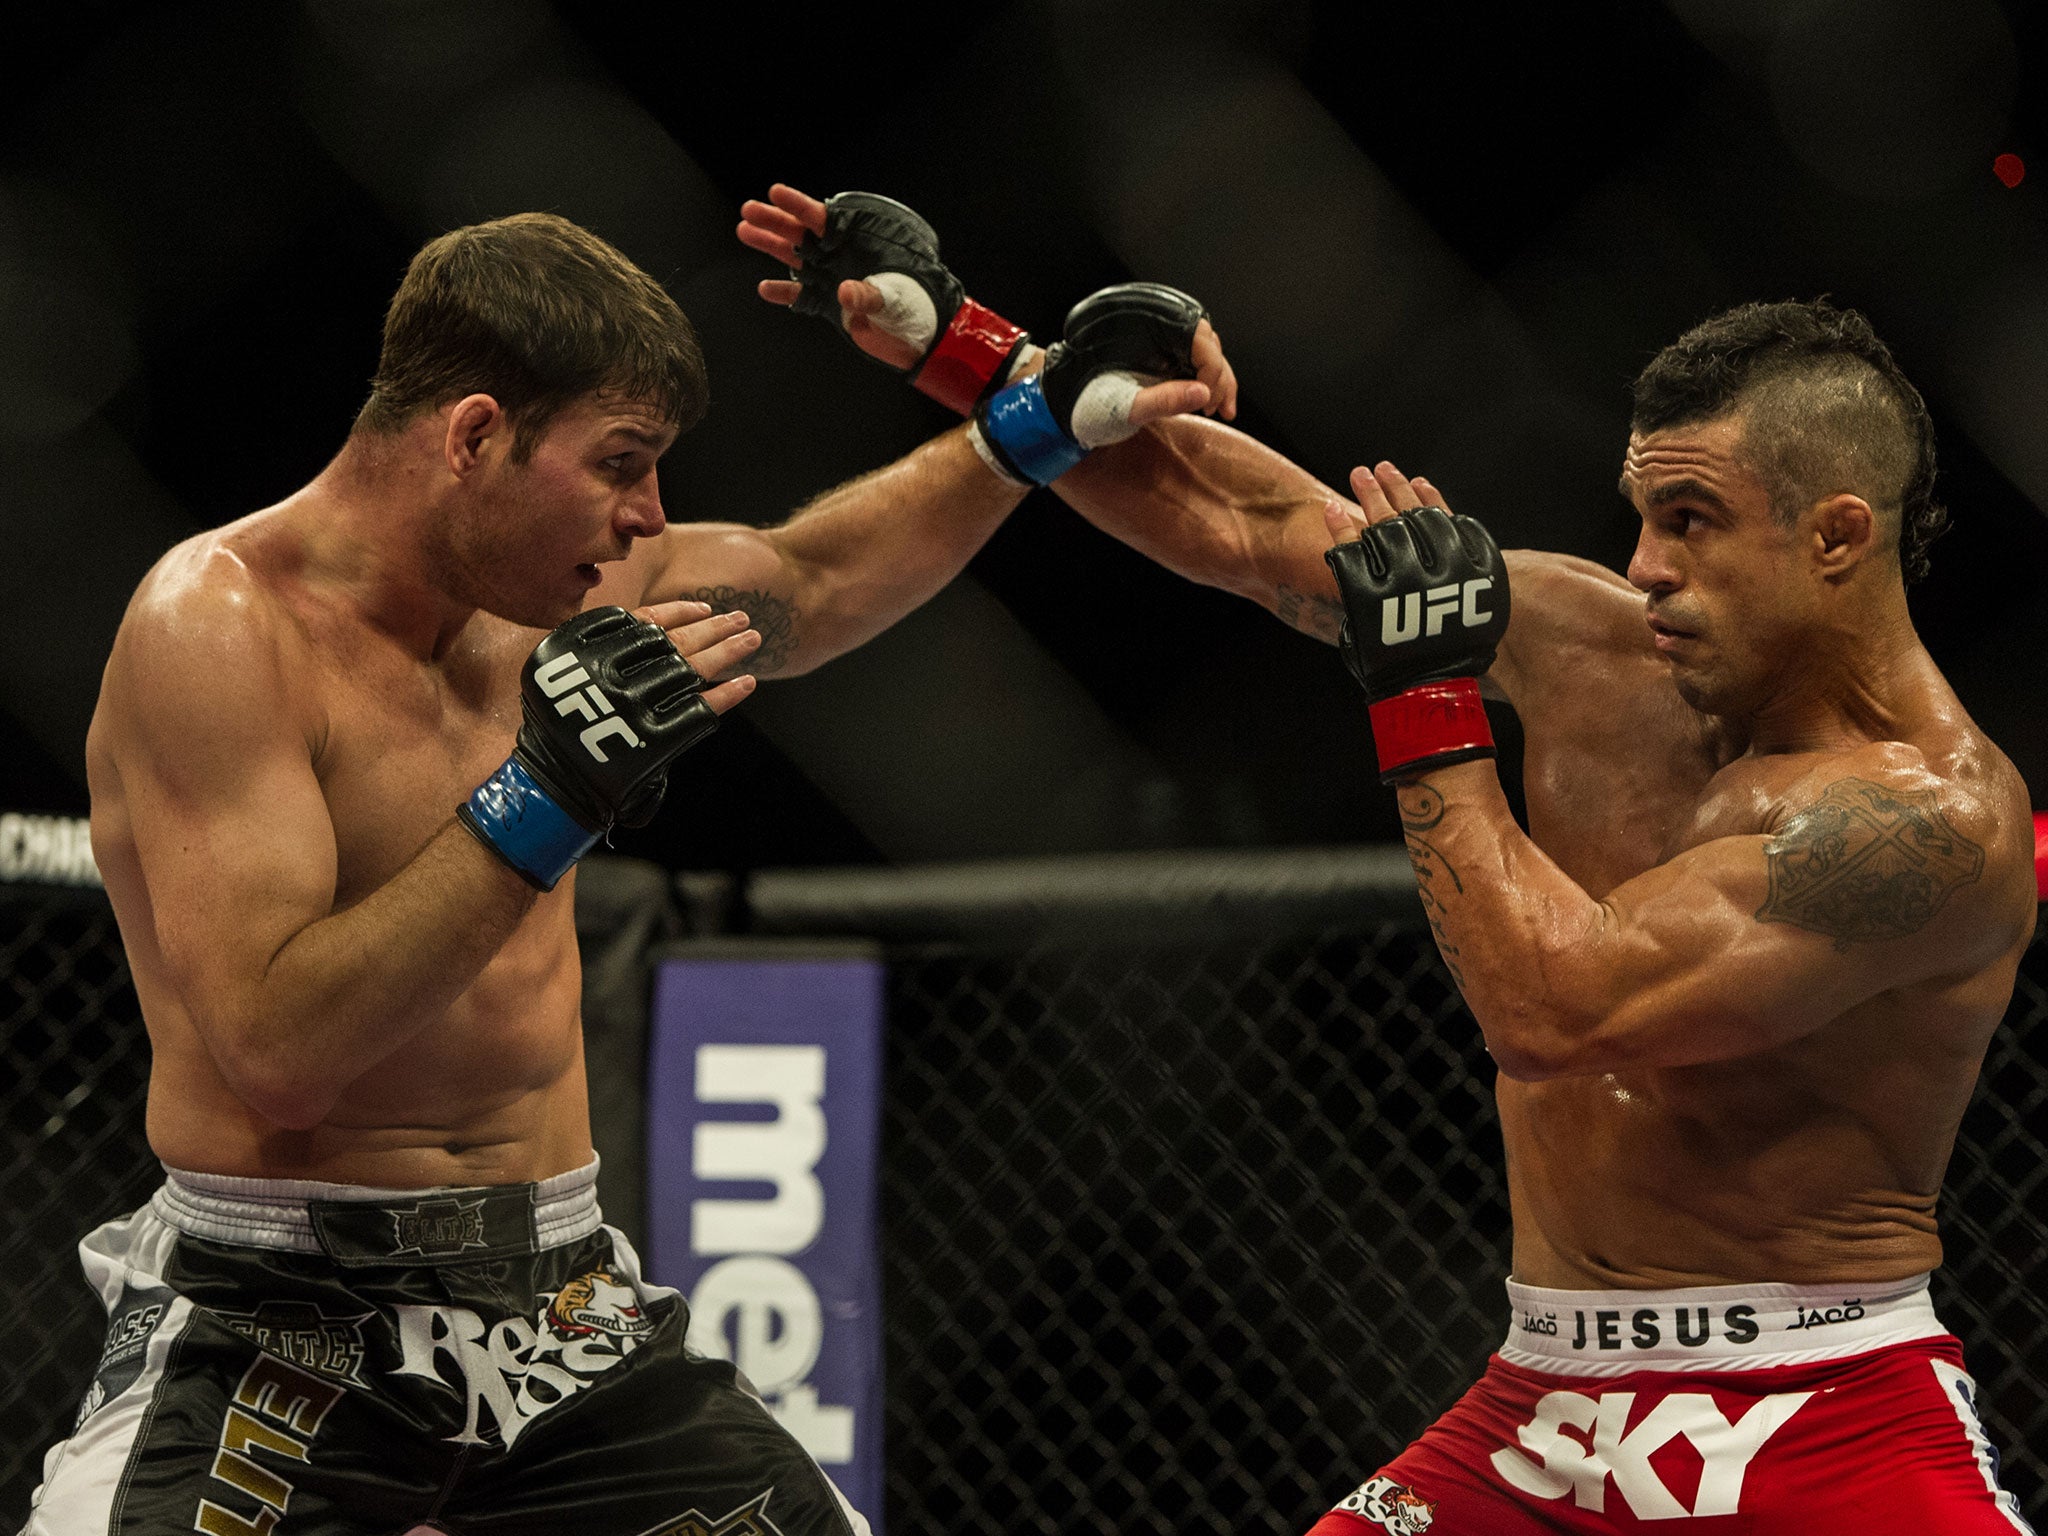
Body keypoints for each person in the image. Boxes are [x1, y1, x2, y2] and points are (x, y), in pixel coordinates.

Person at [759, 187, 2038, 1531]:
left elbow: (1561, 1010)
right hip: (1541, 1414)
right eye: (1641, 516)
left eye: (1696, 522)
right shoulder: (1595, 645)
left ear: (1836, 535)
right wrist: (955, 342)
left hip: (1820, 1416)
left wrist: (1421, 698)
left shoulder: (1931, 822)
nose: (1646, 566)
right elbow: (1252, 531)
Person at [24, 208, 1232, 1535]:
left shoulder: (564, 588)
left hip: (561, 1310)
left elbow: (813, 582)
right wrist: (544, 800)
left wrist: (1038, 418)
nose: (647, 514)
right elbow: (278, 1052)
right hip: (283, 1310)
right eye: (620, 463)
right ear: (476, 436)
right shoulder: (217, 633)